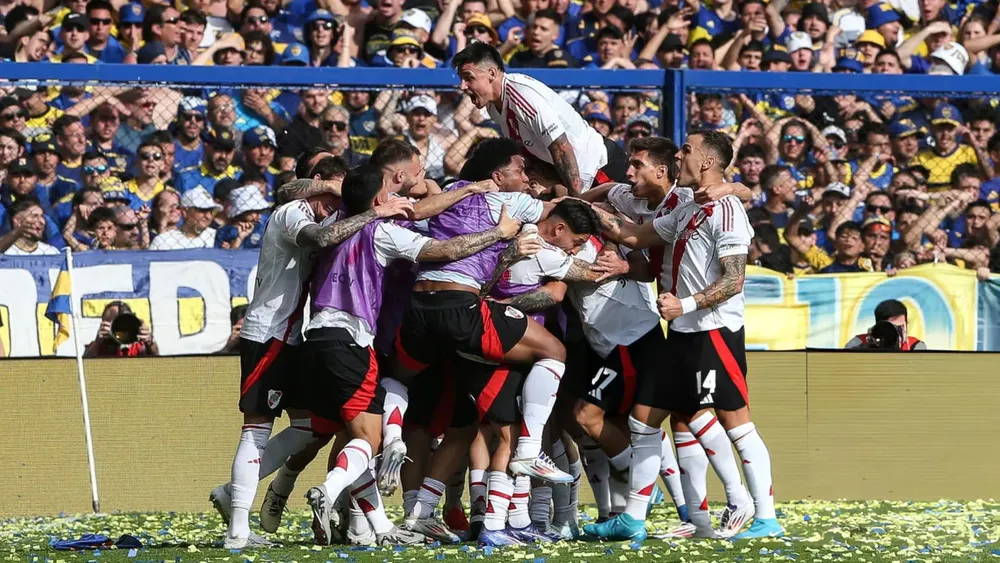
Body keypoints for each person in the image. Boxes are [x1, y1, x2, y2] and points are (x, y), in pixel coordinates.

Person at [302, 163, 523, 545]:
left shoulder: (337, 219)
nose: (397, 198)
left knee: (355, 435)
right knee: (365, 441)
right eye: (389, 190)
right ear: (378, 198)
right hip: (354, 338)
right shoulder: (383, 230)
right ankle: (329, 489)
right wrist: (499, 234)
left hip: (315, 336)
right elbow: (446, 249)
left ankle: (373, 527)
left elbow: (301, 193)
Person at [587, 130, 782, 541]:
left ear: (708, 162)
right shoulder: (690, 205)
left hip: (713, 332)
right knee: (644, 420)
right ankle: (635, 519)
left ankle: (763, 516)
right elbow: (635, 237)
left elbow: (734, 281)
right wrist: (574, 208)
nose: (680, 154)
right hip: (681, 332)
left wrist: (685, 304)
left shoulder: (727, 209)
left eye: (687, 150)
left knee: (737, 424)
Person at [213, 169, 413, 549]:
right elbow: (321, 235)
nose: (333, 212)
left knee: (311, 427)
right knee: (257, 429)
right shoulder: (292, 212)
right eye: (331, 203)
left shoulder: (321, 209)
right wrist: (375, 213)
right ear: (318, 188)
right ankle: (237, 530)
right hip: (268, 333)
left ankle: (231, 494)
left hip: (297, 338)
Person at [451, 42, 626, 196]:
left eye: (469, 78)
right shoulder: (494, 105)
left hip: (601, 167)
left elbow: (562, 147)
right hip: (577, 177)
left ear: (491, 73)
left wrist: (575, 201)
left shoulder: (521, 95)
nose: (462, 86)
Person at [845, 299, 927, 350]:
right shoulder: (858, 342)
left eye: (900, 327)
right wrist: (867, 347)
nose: (897, 333)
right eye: (892, 327)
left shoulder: (915, 346)